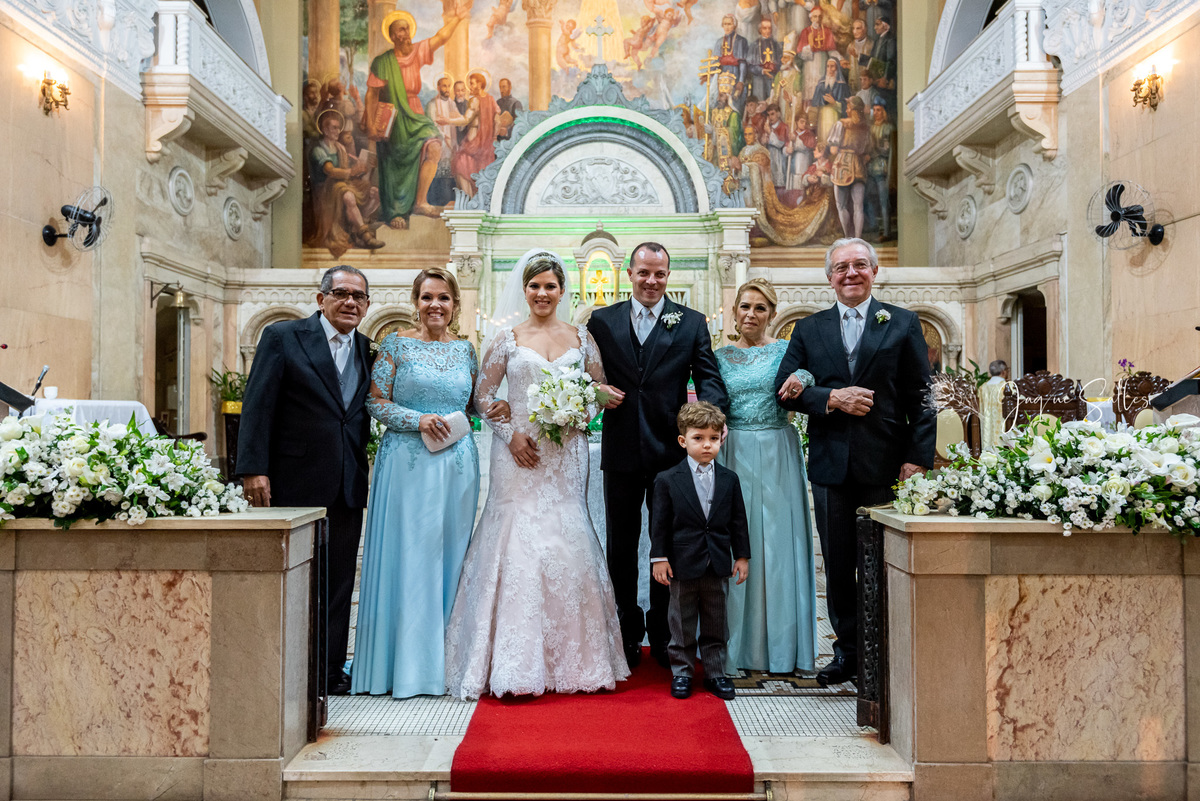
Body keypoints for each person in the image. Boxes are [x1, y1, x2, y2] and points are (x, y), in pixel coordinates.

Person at [445, 250, 629, 698]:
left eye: (550, 286)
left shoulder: (582, 338)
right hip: (519, 455)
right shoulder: (506, 339)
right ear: (524, 291)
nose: (542, 293)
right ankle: (513, 660)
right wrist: (509, 434)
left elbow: (597, 392)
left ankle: (578, 659)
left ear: (562, 290)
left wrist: (578, 410)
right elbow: (481, 396)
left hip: (566, 453)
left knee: (568, 535)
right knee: (518, 535)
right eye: (534, 286)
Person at [774, 238, 935, 686]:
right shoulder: (809, 329)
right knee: (840, 567)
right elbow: (783, 390)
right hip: (830, 467)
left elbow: (923, 398)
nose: (850, 273)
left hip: (885, 463)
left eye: (859, 265)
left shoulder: (901, 323)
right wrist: (832, 398)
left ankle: (882, 655)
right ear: (829, 277)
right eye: (841, 267)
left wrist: (917, 459)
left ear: (874, 271)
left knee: (882, 562)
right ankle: (847, 654)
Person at [352, 268, 493, 697]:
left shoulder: (468, 351)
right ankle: (405, 668)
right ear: (416, 301)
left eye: (444, 298)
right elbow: (374, 401)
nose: (436, 305)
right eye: (428, 297)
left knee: (450, 556)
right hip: (407, 465)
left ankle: (446, 663)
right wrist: (417, 419)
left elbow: (474, 406)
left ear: (455, 304)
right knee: (410, 558)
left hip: (457, 465)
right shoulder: (396, 343)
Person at [587, 243, 728, 670]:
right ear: (628, 273)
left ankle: (667, 634)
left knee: (670, 544)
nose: (652, 281)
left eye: (660, 274)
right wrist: (595, 392)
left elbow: (708, 376)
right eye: (644, 273)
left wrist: (715, 419)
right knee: (622, 545)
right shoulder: (602, 321)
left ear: (669, 275)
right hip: (622, 449)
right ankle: (626, 633)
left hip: (672, 452)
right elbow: (580, 375)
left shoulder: (691, 322)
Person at [237, 266, 375, 696]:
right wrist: (253, 469)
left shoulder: (369, 350)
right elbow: (257, 405)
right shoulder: (284, 337)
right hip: (292, 480)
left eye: (358, 296)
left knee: (338, 584)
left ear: (367, 305)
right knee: (294, 577)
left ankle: (330, 670)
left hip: (347, 483)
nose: (350, 302)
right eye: (341, 293)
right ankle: (284, 665)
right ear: (321, 299)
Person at [716, 279, 818, 675]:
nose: (751, 315)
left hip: (777, 448)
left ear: (772, 314)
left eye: (760, 308)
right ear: (734, 312)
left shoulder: (784, 351)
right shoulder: (720, 356)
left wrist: (803, 379)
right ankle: (735, 649)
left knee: (778, 543)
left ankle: (782, 648)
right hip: (734, 448)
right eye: (745, 307)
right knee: (736, 540)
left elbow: (811, 373)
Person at [650, 402, 749, 700]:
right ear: (683, 440)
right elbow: (660, 523)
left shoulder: (730, 479)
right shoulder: (667, 479)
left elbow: (738, 521)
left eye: (713, 438)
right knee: (681, 621)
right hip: (681, 563)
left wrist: (742, 556)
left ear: (721, 439)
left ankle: (716, 673)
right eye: (698, 438)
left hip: (717, 562)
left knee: (716, 621)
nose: (707, 444)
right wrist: (659, 558)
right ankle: (682, 672)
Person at [364, 8, 467, 228]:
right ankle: (395, 212)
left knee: (434, 147)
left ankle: (420, 202)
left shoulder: (417, 53)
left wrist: (457, 17)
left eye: (408, 28)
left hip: (415, 112)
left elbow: (441, 37)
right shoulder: (383, 62)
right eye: (402, 29)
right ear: (392, 36)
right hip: (393, 117)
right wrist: (372, 124)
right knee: (395, 163)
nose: (407, 33)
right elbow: (372, 94)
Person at [308, 109, 383, 257]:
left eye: (338, 127)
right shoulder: (318, 150)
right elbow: (330, 171)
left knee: (373, 192)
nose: (338, 131)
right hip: (325, 190)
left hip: (341, 183)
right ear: (324, 129)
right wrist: (351, 172)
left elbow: (350, 168)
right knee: (348, 195)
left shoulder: (340, 148)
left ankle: (357, 229)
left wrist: (366, 166)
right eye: (334, 127)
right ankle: (365, 235)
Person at [444, 70, 501, 197]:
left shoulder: (475, 100)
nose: (470, 87)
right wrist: (494, 138)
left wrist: (447, 120)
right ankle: (473, 201)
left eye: (472, 84)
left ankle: (469, 201)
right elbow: (497, 121)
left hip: (474, 144)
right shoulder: (491, 100)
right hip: (487, 145)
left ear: (480, 84)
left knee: (459, 165)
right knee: (479, 175)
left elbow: (466, 119)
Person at [829, 96, 872, 238]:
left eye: (848, 107)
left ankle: (847, 237)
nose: (846, 110)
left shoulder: (841, 124)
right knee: (858, 206)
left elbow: (833, 150)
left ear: (853, 109)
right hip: (858, 165)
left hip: (842, 165)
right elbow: (868, 151)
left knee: (841, 205)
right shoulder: (866, 127)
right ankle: (858, 238)